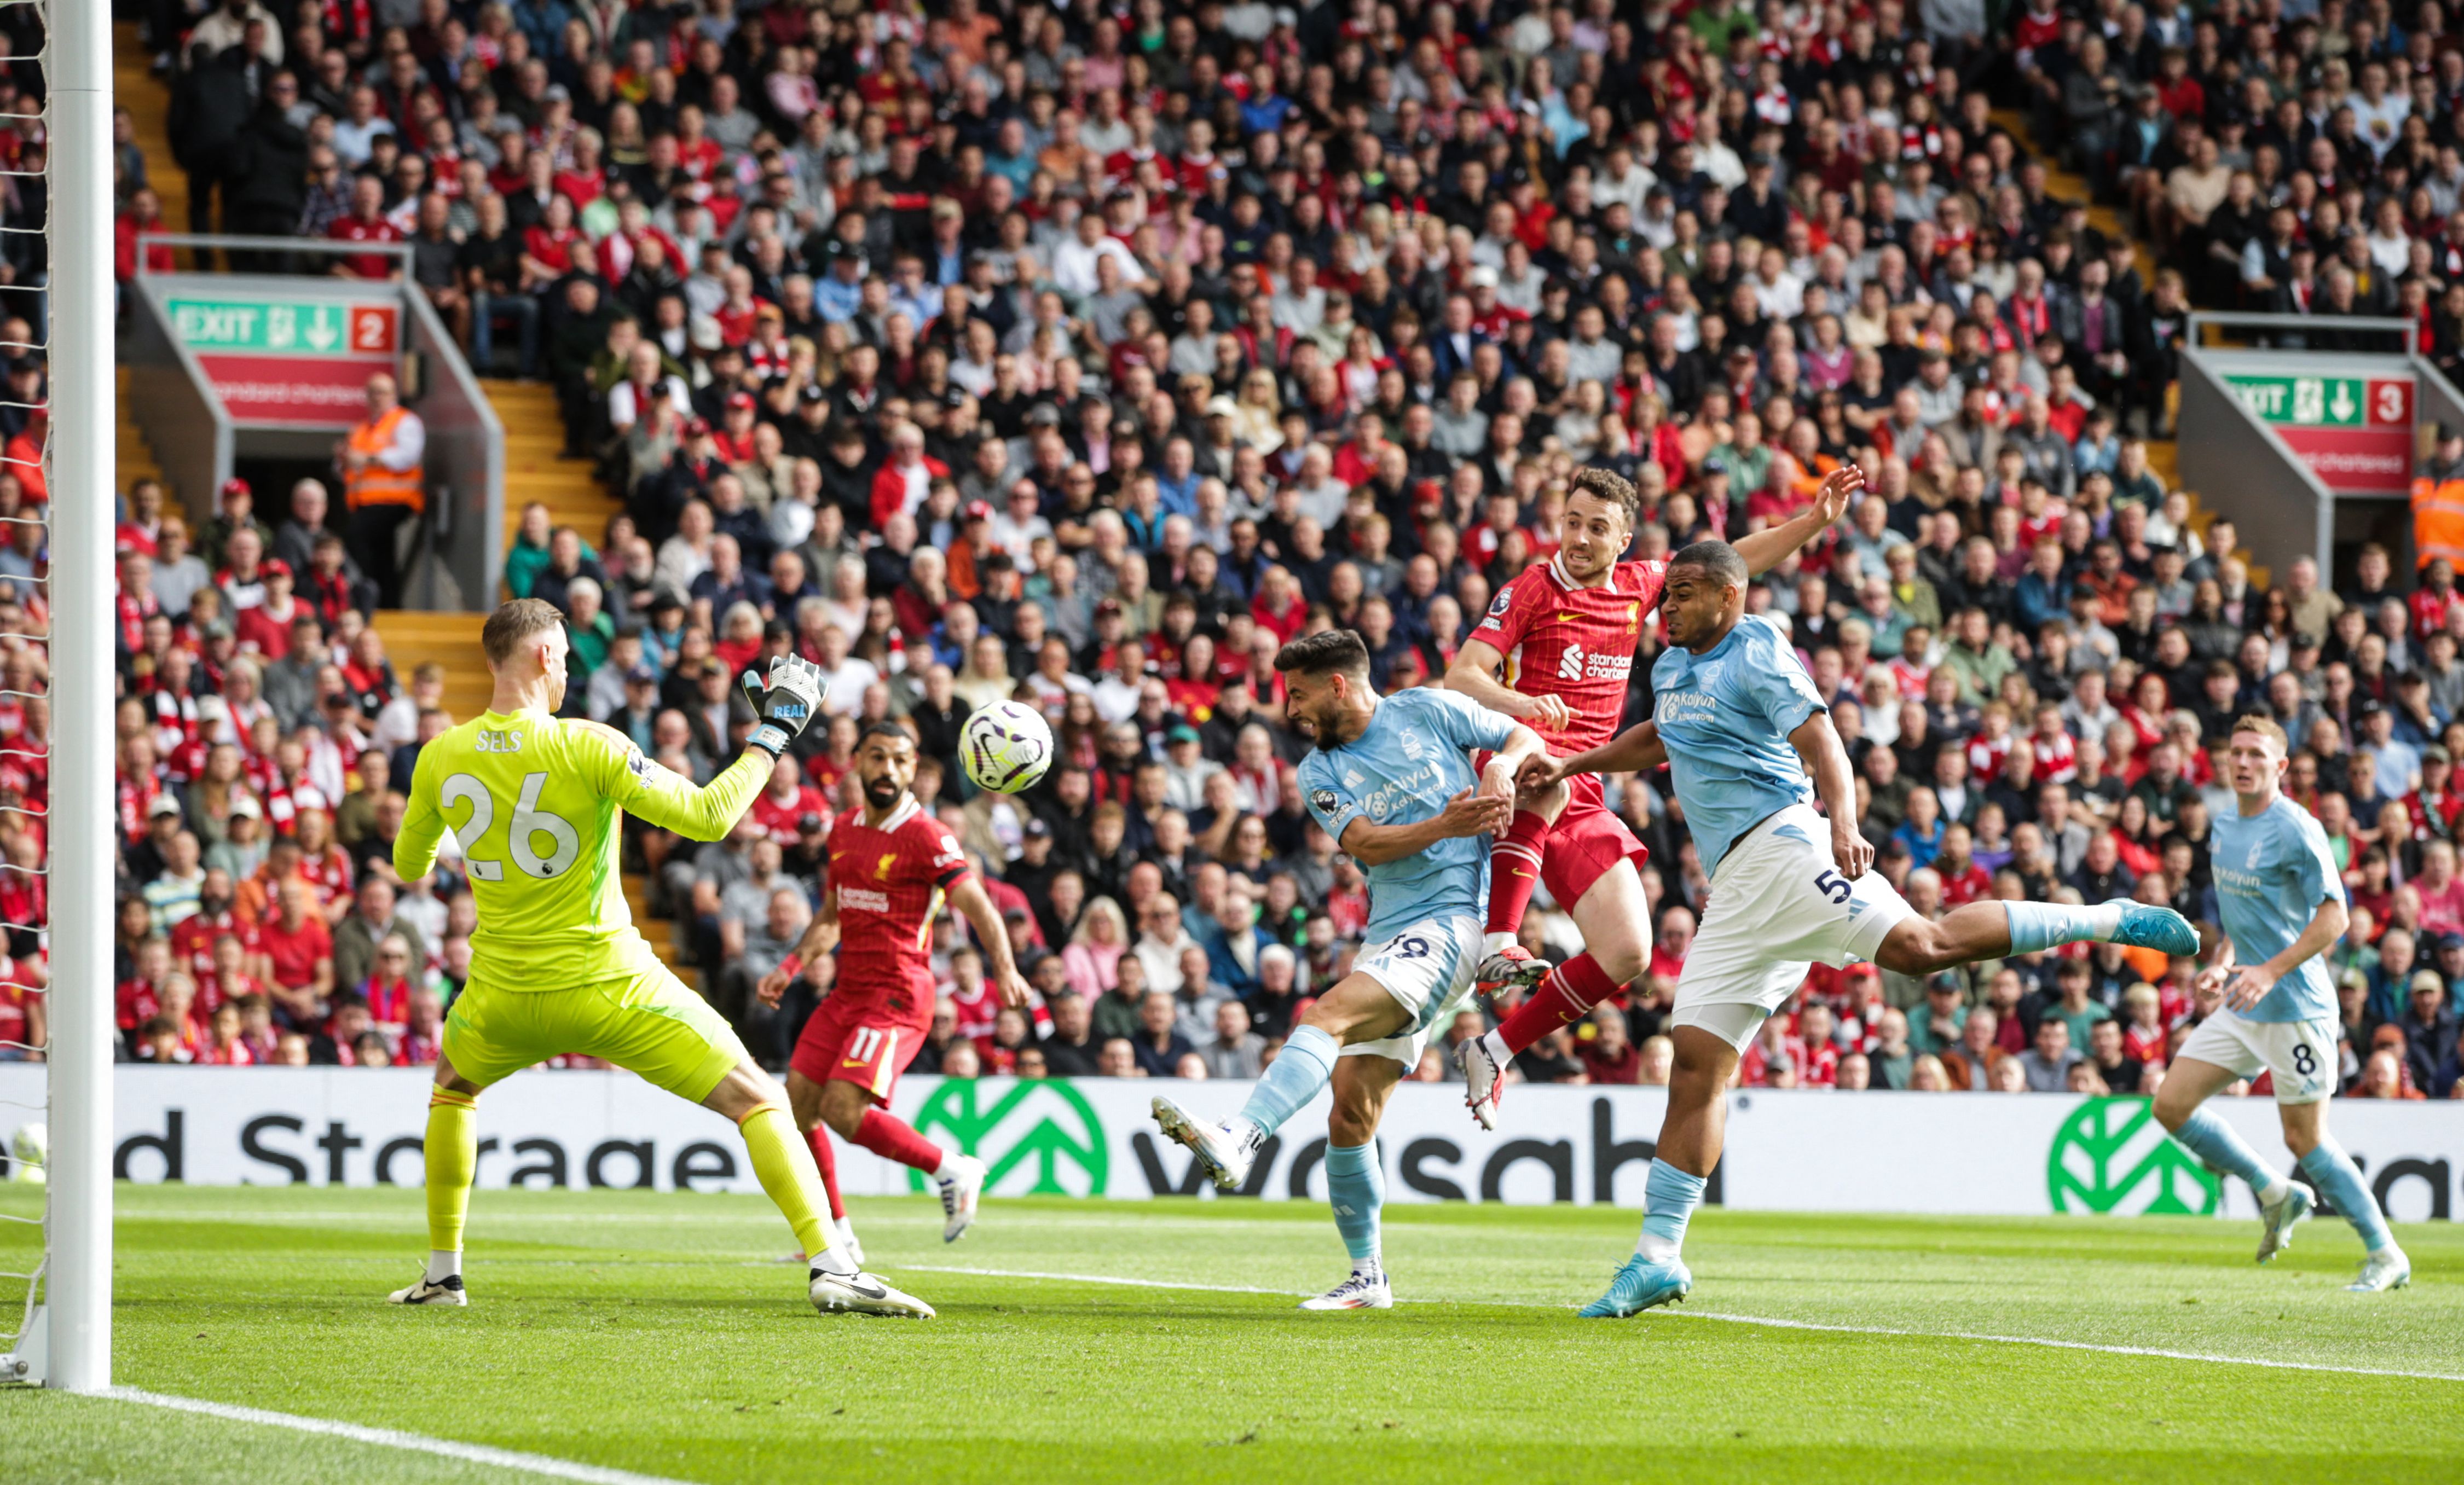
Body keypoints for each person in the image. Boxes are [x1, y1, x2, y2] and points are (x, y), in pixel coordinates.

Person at [1519, 540, 2197, 1319]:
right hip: (1735, 891)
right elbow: (1658, 736)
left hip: (1784, 844)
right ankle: (1657, 1257)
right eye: (1663, 595)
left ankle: (2107, 918)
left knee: (1923, 949)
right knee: (1696, 1065)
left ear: (1728, 597)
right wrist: (1574, 767)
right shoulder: (1672, 666)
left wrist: (1841, 818)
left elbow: (1822, 741)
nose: (1663, 607)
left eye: (1681, 593)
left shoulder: (1757, 649)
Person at [385, 598, 931, 1318]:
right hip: (611, 984)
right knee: (759, 1099)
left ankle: (442, 1272)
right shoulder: (588, 744)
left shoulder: (439, 755)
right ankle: (831, 1264)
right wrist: (771, 733)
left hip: (502, 994)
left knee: (453, 1088)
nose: (568, 670)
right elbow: (708, 816)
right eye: (567, 658)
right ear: (546, 656)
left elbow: (408, 863)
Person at [1447, 463, 1861, 1128]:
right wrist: (1521, 702)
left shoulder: (1643, 585)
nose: (1578, 538)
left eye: (1595, 527)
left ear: (1624, 539)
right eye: (1571, 522)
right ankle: (1501, 938)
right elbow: (1463, 674)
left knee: (1628, 953)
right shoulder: (1530, 587)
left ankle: (1493, 1049)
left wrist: (1811, 522)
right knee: (1539, 757)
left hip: (1581, 782)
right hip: (1518, 758)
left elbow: (1732, 563)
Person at [1150, 628, 1547, 1308]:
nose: (1292, 710)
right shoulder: (1317, 771)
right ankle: (1368, 1277)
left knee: (1324, 1016)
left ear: (1339, 685)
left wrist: (1500, 766)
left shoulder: (1427, 708)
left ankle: (1240, 1136)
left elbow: (1528, 737)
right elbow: (1364, 841)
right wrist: (1443, 826)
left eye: (1299, 694)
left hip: (1454, 921)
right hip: (1389, 932)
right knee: (1350, 1113)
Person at [2152, 716, 2409, 1292]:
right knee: (2170, 1104)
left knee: (2305, 1138)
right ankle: (2274, 1190)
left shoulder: (2296, 827)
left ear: (2280, 766)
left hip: (2294, 1004)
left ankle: (2385, 1251)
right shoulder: (2222, 825)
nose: (2241, 762)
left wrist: (2270, 969)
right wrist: (2221, 961)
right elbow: (2242, 920)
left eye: (2254, 754)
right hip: (2243, 1000)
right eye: (2235, 753)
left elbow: (2334, 916)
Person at [756, 723, 1028, 1259]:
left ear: (913, 769)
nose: (886, 769)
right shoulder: (842, 829)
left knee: (841, 1107)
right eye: (876, 757)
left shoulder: (926, 836)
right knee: (800, 1106)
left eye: (899, 760)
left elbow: (978, 906)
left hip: (898, 996)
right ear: (856, 760)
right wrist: (790, 965)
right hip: (847, 991)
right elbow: (833, 917)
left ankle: (952, 1167)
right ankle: (838, 1235)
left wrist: (1006, 966)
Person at [334, 372, 424, 608]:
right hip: (364, 501)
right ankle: (387, 604)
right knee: (384, 555)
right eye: (372, 392)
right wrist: (343, 460)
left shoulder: (405, 421)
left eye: (382, 392)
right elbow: (346, 468)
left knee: (356, 536)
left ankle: (367, 592)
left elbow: (407, 456)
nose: (377, 397)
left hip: (395, 500)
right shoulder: (359, 429)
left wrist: (367, 459)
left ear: (393, 395)